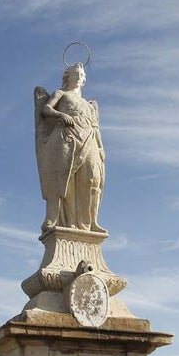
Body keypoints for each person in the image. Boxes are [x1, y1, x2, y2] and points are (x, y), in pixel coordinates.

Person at [34, 62, 106, 233]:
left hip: (89, 138)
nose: (79, 78)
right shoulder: (61, 94)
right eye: (76, 74)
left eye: (82, 75)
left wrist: (101, 147)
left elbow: (95, 127)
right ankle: (66, 221)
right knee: (65, 179)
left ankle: (90, 222)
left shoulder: (89, 105)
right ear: (68, 76)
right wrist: (60, 114)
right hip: (67, 138)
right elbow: (46, 109)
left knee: (92, 179)